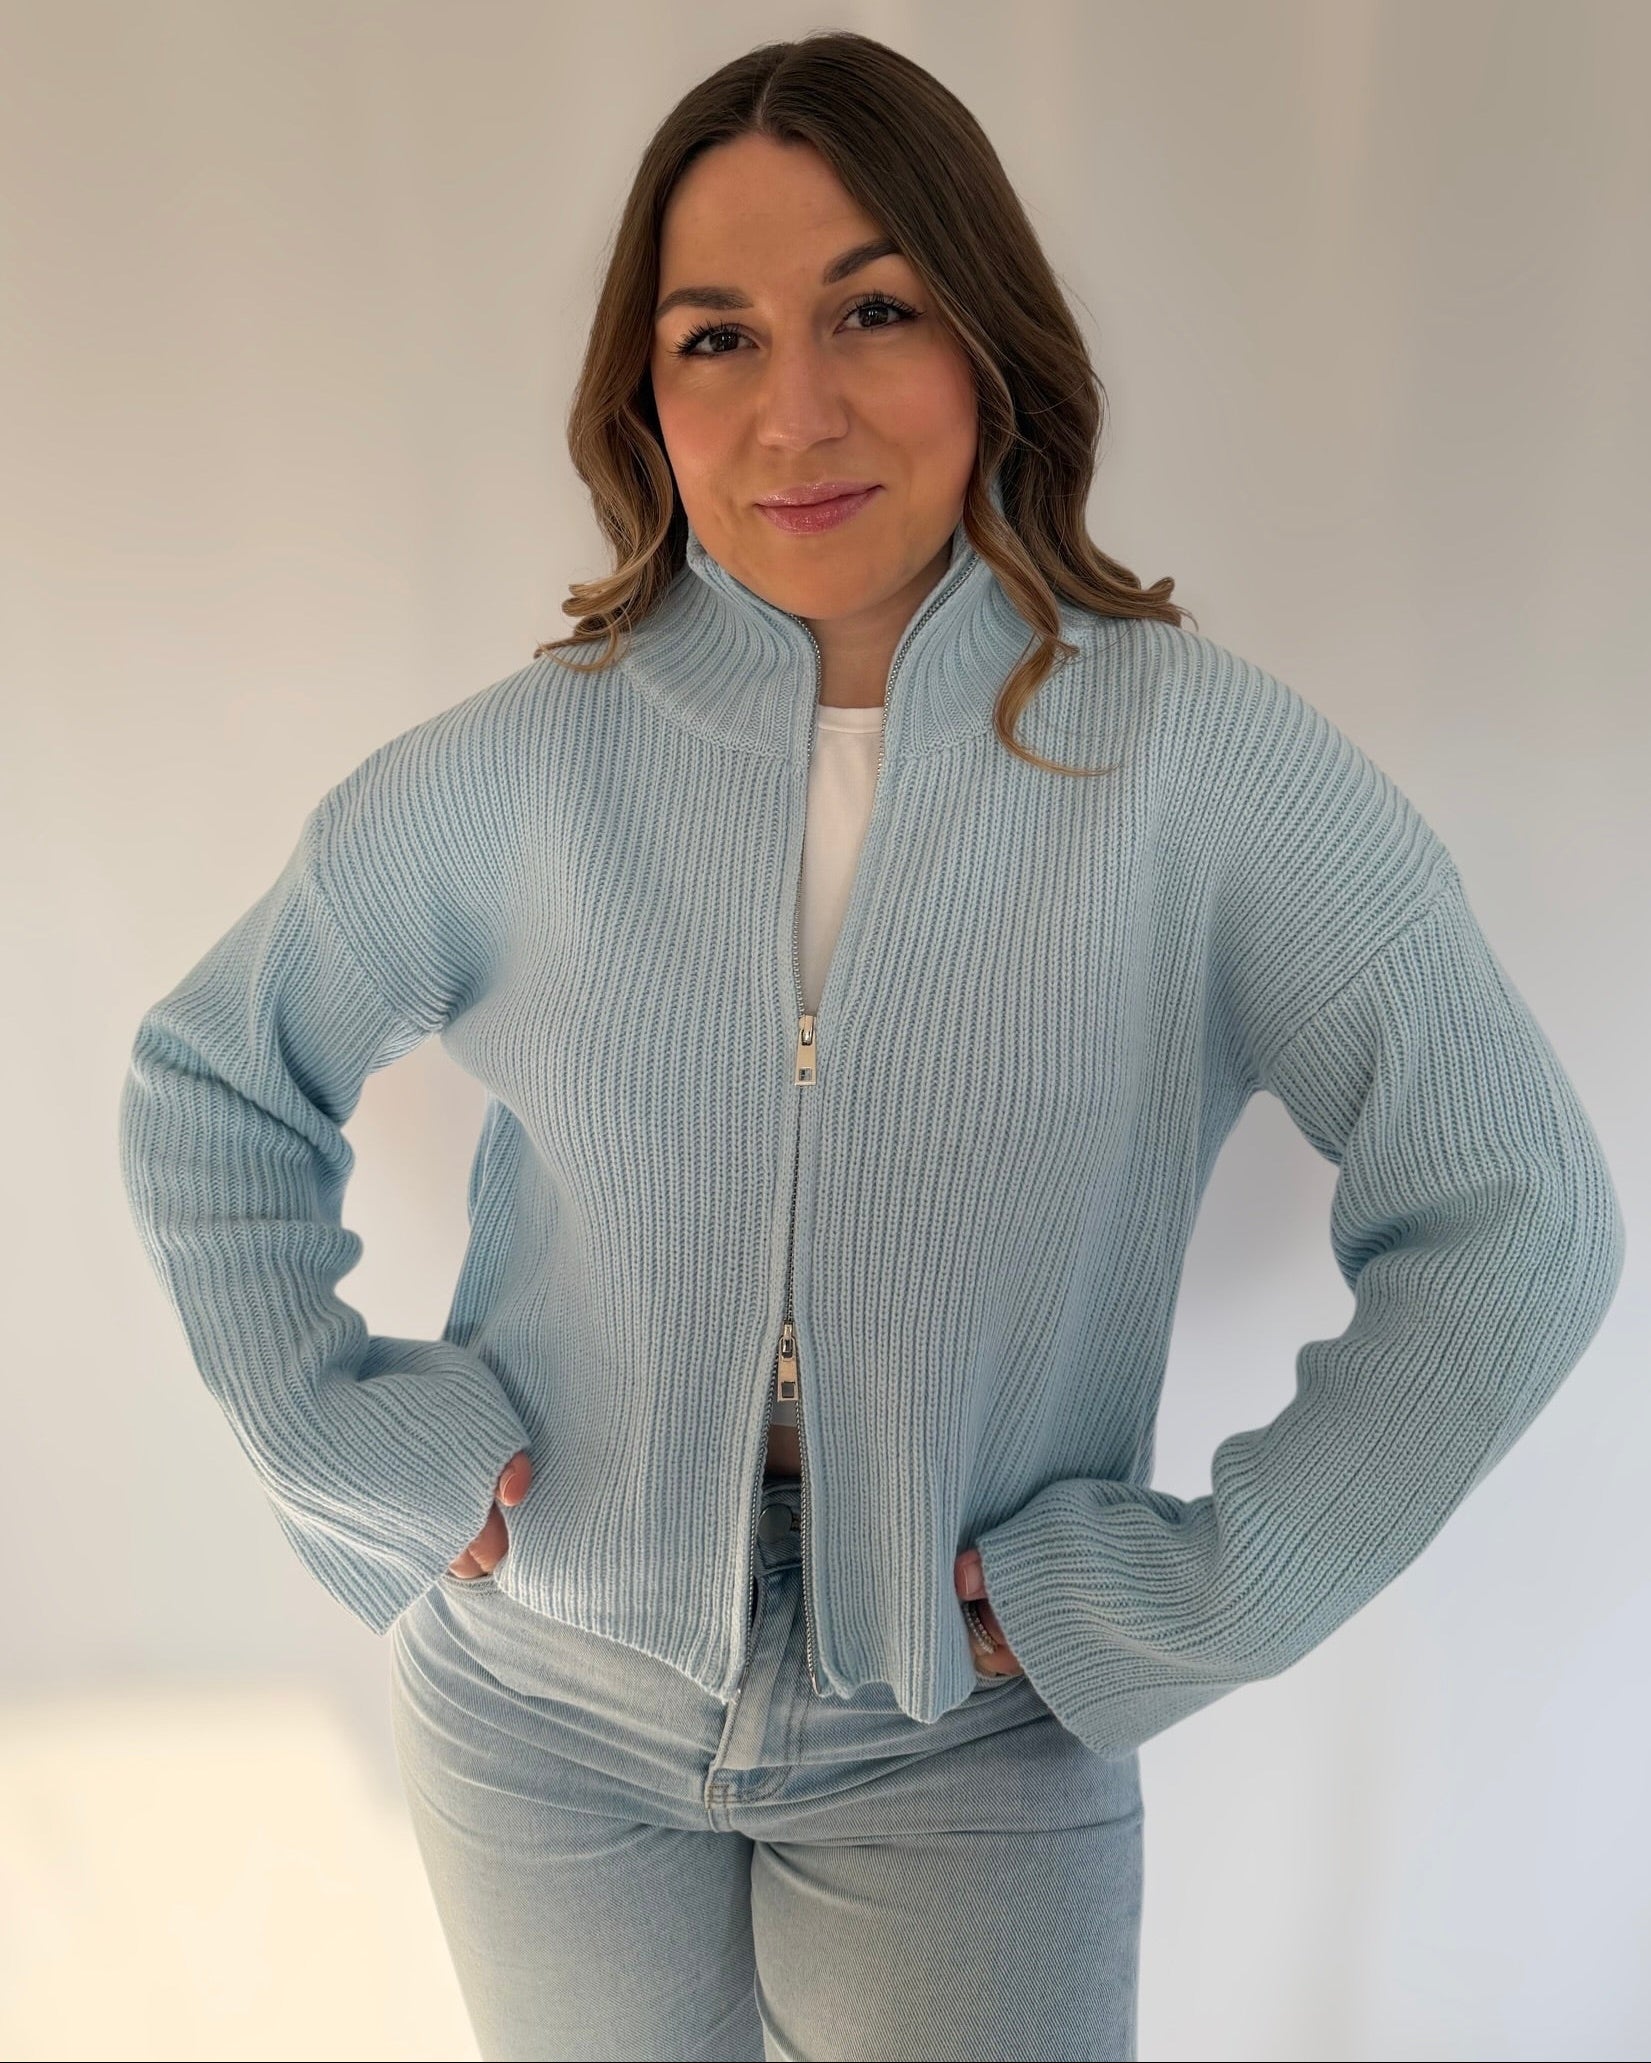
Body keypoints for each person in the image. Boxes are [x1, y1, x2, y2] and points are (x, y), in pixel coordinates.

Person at [116, 31, 1625, 2063]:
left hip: (965, 1728)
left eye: (874, 310)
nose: (796, 410)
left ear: (988, 338)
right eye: (717, 337)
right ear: (645, 396)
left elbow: (1518, 1214)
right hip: (540, 1702)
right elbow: (211, 1088)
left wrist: (1210, 1593)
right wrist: (341, 1446)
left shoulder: (1198, 765)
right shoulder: (522, 769)